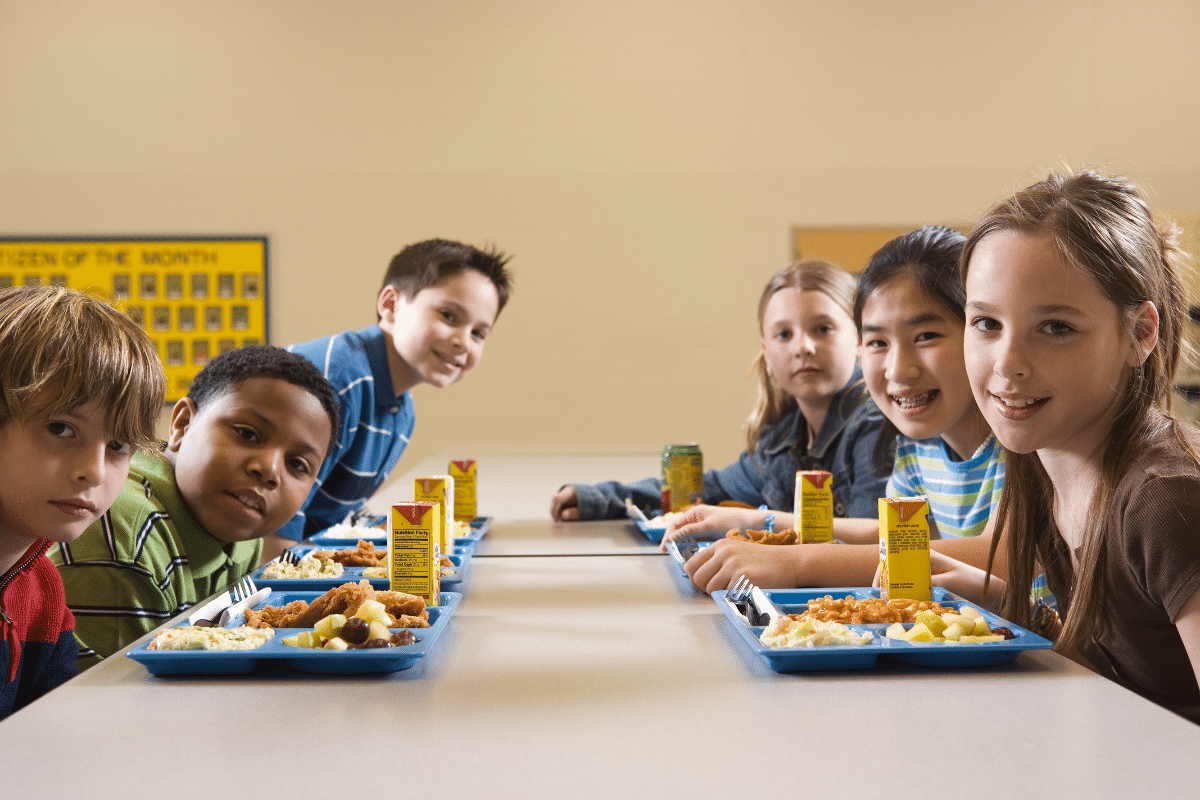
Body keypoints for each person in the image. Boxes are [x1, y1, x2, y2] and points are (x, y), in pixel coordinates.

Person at [937, 169, 1200, 722]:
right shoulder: (1046, 461)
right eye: (986, 323)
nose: (1008, 362)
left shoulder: (1165, 503)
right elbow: (1136, 671)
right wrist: (1023, 615)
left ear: (1140, 334)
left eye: (1055, 327)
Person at [684, 226, 1009, 594]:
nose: (899, 370)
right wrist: (756, 521)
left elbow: (999, 556)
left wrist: (794, 562)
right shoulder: (916, 446)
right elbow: (890, 534)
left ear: (981, 330)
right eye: (877, 342)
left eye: (926, 336)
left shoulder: (1024, 437)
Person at [550, 258, 892, 534]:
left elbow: (871, 539)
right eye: (783, 334)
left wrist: (757, 522)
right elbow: (711, 489)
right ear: (766, 353)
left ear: (860, 339)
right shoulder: (782, 440)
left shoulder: (877, 419)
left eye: (823, 328)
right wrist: (601, 498)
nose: (803, 347)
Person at [50, 346, 338, 670]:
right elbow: (120, 693)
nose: (270, 470)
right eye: (247, 434)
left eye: (297, 464)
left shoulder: (241, 524)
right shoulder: (128, 538)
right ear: (182, 425)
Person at [266, 239, 513, 557]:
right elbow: (270, 532)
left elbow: (328, 528)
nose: (463, 342)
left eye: (478, 333)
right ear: (391, 305)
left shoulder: (401, 412)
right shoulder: (339, 379)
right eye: (449, 316)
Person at [1, 286, 164, 718]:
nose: (93, 470)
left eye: (119, 445)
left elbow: (51, 736)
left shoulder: (42, 591)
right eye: (60, 428)